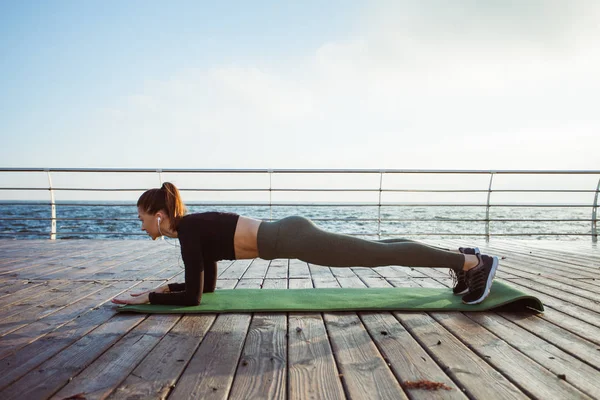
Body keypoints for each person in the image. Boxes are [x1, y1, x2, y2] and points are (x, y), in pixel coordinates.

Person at [111, 182, 499, 307]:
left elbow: (193, 298)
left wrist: (152, 297)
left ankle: (470, 264)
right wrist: (170, 287)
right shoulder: (192, 232)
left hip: (294, 238)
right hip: (292, 234)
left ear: (158, 215)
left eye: (142, 218)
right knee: (381, 247)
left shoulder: (190, 232)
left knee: (379, 254)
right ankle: (464, 259)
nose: (141, 225)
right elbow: (206, 288)